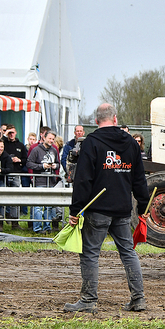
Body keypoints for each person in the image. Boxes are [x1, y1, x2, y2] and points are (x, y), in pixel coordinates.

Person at [64, 103, 150, 314]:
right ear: (115, 118)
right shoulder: (130, 142)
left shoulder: (92, 142)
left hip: (98, 209)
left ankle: (88, 299)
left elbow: (83, 180)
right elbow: (139, 178)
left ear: (95, 121)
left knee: (90, 253)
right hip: (122, 208)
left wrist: (75, 211)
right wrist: (143, 207)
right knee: (128, 252)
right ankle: (138, 299)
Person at [26, 130, 60, 234]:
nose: (51, 141)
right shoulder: (36, 150)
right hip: (40, 181)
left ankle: (47, 227)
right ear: (44, 138)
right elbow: (29, 163)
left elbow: (58, 164)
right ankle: (37, 228)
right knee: (38, 206)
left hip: (51, 181)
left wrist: (55, 166)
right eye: (50, 138)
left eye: (53, 139)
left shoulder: (54, 150)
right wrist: (42, 166)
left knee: (49, 206)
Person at [3, 124, 27, 230]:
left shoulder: (21, 145)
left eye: (13, 132)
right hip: (4, 173)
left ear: (16, 132)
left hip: (16, 173)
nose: (11, 135)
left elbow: (26, 159)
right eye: (9, 133)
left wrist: (19, 160)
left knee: (15, 197)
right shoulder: (3, 143)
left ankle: (15, 222)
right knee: (2, 197)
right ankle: (1, 221)